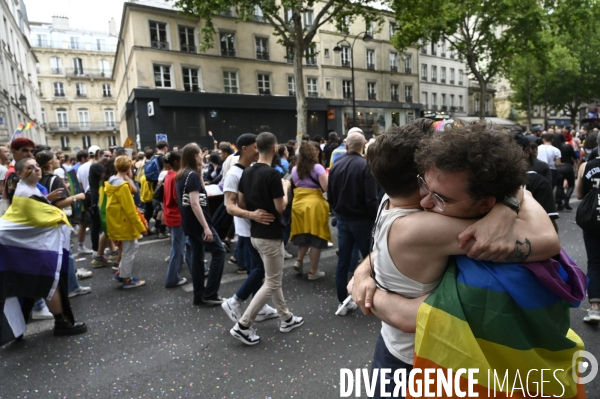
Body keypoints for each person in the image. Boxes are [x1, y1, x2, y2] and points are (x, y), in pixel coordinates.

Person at [351, 121, 561, 397]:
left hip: (399, 352)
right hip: (416, 363)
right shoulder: (425, 225)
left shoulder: (391, 199)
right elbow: (547, 240)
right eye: (425, 186)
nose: (428, 202)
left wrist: (363, 272)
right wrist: (509, 202)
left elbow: (383, 250)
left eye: (439, 196)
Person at [0, 157, 87, 340]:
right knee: (49, 281)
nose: (37, 169)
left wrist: (48, 199)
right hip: (30, 247)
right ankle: (61, 323)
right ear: (21, 174)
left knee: (29, 285)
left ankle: (18, 328)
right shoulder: (25, 193)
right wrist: (68, 202)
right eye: (30, 168)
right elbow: (43, 217)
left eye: (37, 166)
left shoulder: (30, 189)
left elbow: (36, 210)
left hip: (28, 247)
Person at [231, 132, 303, 345]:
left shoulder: (246, 172)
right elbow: (281, 207)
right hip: (270, 234)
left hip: (255, 232)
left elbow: (242, 203)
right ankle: (243, 325)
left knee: (273, 277)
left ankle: (286, 317)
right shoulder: (272, 175)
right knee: (272, 281)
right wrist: (286, 188)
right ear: (274, 149)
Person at [221, 133, 278, 322]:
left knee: (258, 269)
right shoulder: (233, 174)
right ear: (244, 149)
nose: (257, 151)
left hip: (257, 229)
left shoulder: (252, 169)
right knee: (261, 270)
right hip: (247, 229)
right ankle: (235, 300)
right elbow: (229, 206)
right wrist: (251, 215)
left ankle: (259, 307)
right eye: (255, 147)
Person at [327, 131, 378, 315]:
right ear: (363, 146)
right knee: (370, 260)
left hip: (343, 218)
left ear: (347, 146)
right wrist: (374, 218)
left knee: (344, 261)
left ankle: (343, 299)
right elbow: (370, 198)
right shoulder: (365, 166)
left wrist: (337, 210)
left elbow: (330, 195)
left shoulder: (336, 166)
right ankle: (372, 297)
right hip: (362, 219)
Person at [36, 150, 92, 297]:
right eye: (55, 158)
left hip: (45, 221)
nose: (58, 160)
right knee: (67, 255)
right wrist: (76, 197)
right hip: (56, 220)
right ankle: (72, 287)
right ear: (49, 163)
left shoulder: (39, 178)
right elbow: (58, 202)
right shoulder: (53, 178)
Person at [176, 143, 226, 305]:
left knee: (197, 258)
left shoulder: (184, 174)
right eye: (200, 154)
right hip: (199, 223)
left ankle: (199, 295)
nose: (203, 157)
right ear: (195, 156)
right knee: (219, 251)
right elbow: (195, 203)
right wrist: (206, 227)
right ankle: (210, 293)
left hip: (190, 223)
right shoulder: (190, 176)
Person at [104, 155, 147, 288]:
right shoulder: (122, 186)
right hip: (124, 222)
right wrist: (141, 227)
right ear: (129, 168)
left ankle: (122, 273)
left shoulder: (112, 181)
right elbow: (130, 210)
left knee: (132, 246)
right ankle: (126, 278)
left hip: (117, 221)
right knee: (129, 250)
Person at [290, 142, 331, 280]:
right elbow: (326, 187)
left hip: (298, 204)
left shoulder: (294, 169)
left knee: (304, 234)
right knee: (316, 237)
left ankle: (299, 260)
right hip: (314, 205)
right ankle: (313, 271)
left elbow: (295, 185)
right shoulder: (318, 168)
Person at [575, 140, 600, 323]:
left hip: (593, 220)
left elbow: (579, 195)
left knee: (594, 262)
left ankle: (595, 309)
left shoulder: (586, 166)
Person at [163, 150, 191, 288]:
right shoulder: (177, 177)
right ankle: (172, 278)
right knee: (178, 249)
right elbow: (177, 198)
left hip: (170, 215)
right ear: (176, 162)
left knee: (181, 246)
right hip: (177, 216)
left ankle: (195, 270)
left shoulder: (169, 175)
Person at [75, 145, 100, 256]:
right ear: (97, 154)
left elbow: (79, 184)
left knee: (84, 223)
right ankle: (101, 248)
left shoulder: (81, 167)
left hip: (85, 195)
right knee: (98, 223)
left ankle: (81, 246)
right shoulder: (97, 166)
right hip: (96, 196)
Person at [555, 133, 578, 210]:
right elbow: (574, 156)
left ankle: (559, 203)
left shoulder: (555, 147)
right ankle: (566, 200)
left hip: (558, 167)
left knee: (559, 185)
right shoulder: (567, 146)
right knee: (571, 184)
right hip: (567, 166)